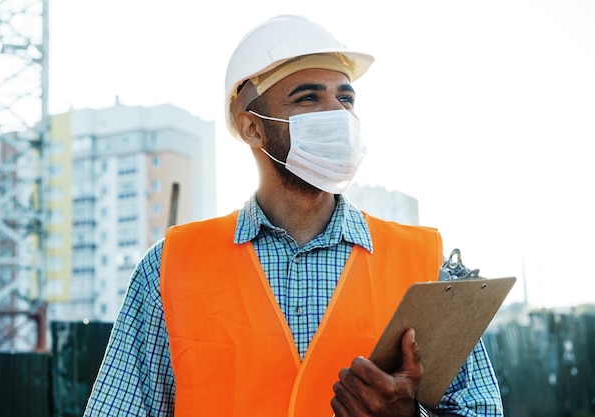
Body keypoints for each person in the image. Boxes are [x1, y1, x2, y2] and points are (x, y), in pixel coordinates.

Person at [84, 14, 504, 417]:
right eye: (308, 97)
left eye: (345, 97)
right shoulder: (171, 267)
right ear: (252, 127)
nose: (337, 114)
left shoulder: (423, 264)